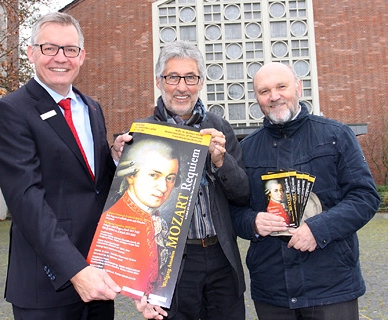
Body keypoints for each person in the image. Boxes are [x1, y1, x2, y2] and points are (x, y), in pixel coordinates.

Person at [0, 12, 164, 320]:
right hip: (47, 285)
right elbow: (27, 201)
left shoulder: (91, 108)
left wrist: (116, 160)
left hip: (98, 277)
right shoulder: (10, 111)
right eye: (49, 48)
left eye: (70, 49)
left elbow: (94, 188)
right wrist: (75, 270)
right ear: (31, 52)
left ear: (82, 56)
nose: (60, 58)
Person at [231, 62, 380, 319]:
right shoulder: (246, 149)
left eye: (281, 86)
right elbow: (234, 210)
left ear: (298, 87)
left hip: (331, 286)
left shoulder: (336, 135)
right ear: (256, 98)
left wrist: (319, 229)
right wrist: (252, 222)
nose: (274, 96)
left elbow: (365, 197)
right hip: (272, 288)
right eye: (264, 91)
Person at [131, 40, 250, 320]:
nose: (182, 87)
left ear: (201, 82)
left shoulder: (220, 127)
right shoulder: (142, 134)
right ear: (160, 82)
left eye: (190, 78)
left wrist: (222, 162)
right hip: (171, 264)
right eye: (173, 77)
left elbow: (243, 194)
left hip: (221, 256)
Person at [88, 138, 180, 298]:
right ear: (131, 175)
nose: (164, 187)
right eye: (153, 175)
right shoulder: (112, 219)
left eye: (170, 178)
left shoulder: (159, 222)